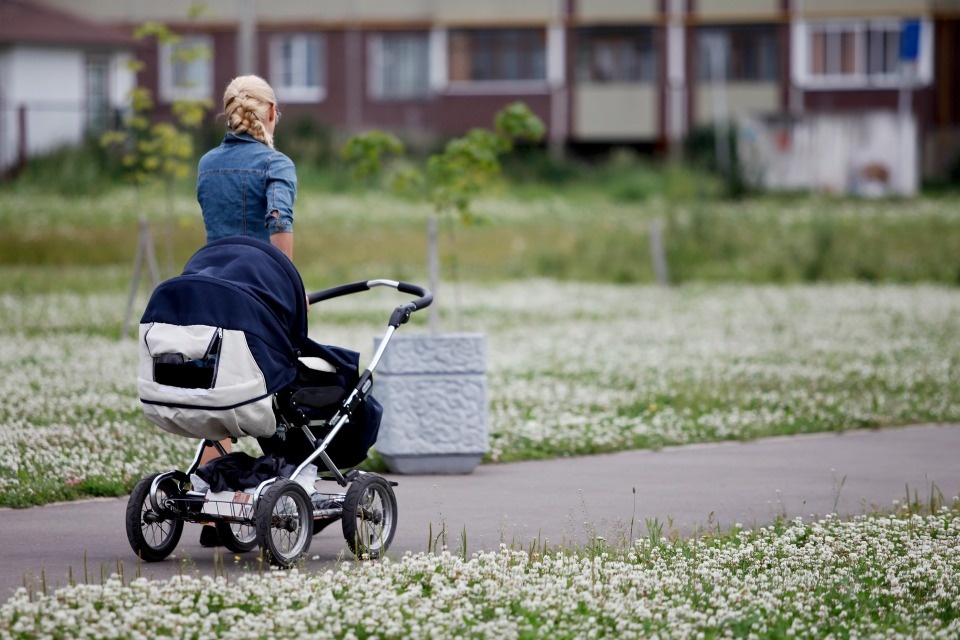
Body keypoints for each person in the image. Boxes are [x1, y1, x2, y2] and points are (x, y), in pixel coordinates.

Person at [194, 75, 298, 547]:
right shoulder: (277, 164)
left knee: (218, 393)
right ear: (271, 113)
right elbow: (278, 221)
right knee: (272, 387)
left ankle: (215, 509)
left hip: (207, 292)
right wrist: (287, 285)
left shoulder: (207, 164)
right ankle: (275, 478)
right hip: (258, 296)